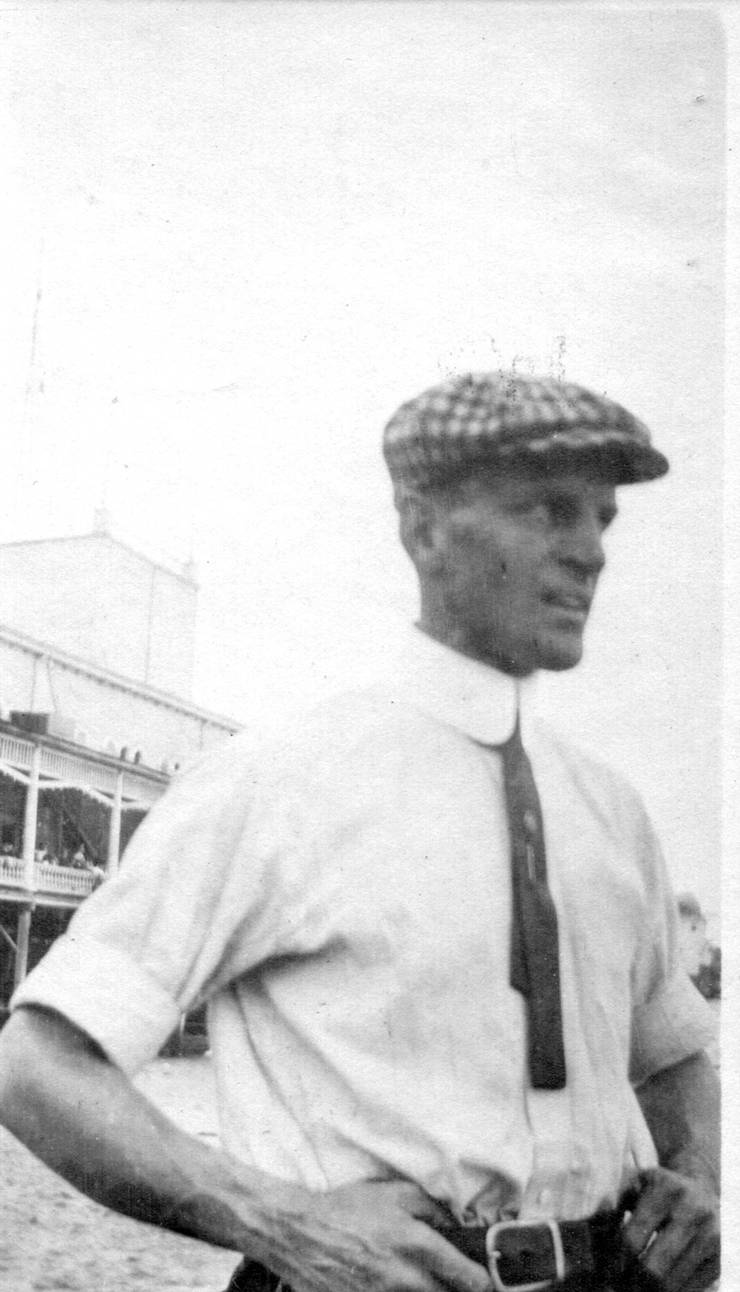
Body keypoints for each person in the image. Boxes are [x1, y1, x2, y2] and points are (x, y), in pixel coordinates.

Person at [0, 373, 720, 1292]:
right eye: (548, 511)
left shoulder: (611, 811)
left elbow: (673, 1060)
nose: (590, 554)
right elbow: (35, 1069)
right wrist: (277, 1221)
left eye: (600, 520)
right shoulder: (280, 779)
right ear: (422, 529)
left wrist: (697, 1180)